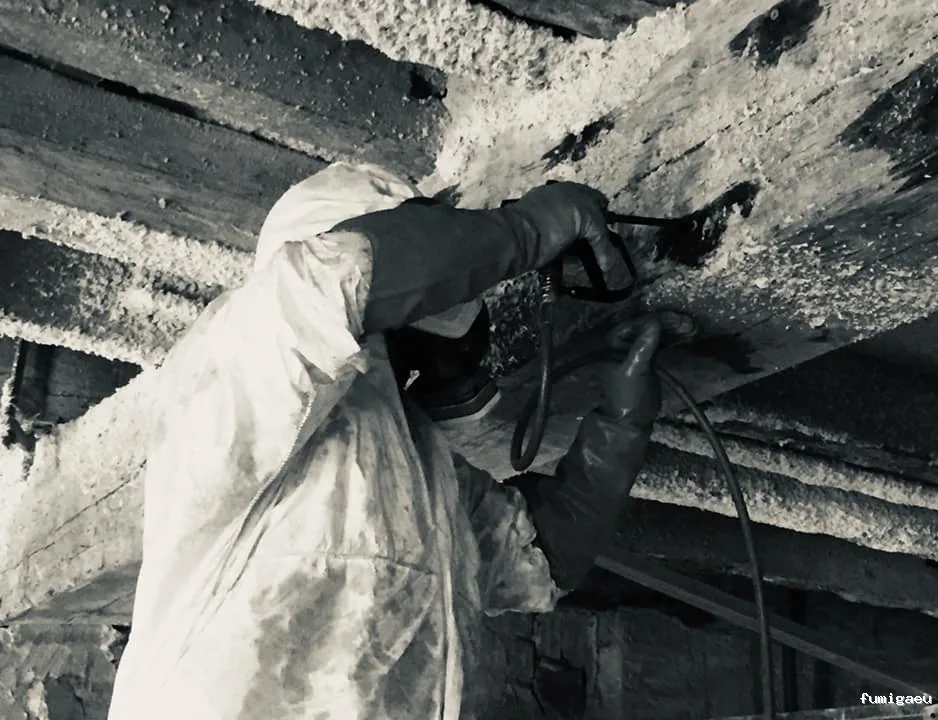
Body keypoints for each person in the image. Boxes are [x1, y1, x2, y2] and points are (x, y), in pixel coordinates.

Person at [107, 163, 667, 720]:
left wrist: (619, 428)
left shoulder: (417, 469)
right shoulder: (231, 375)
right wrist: (526, 231)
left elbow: (538, 559)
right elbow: (333, 277)